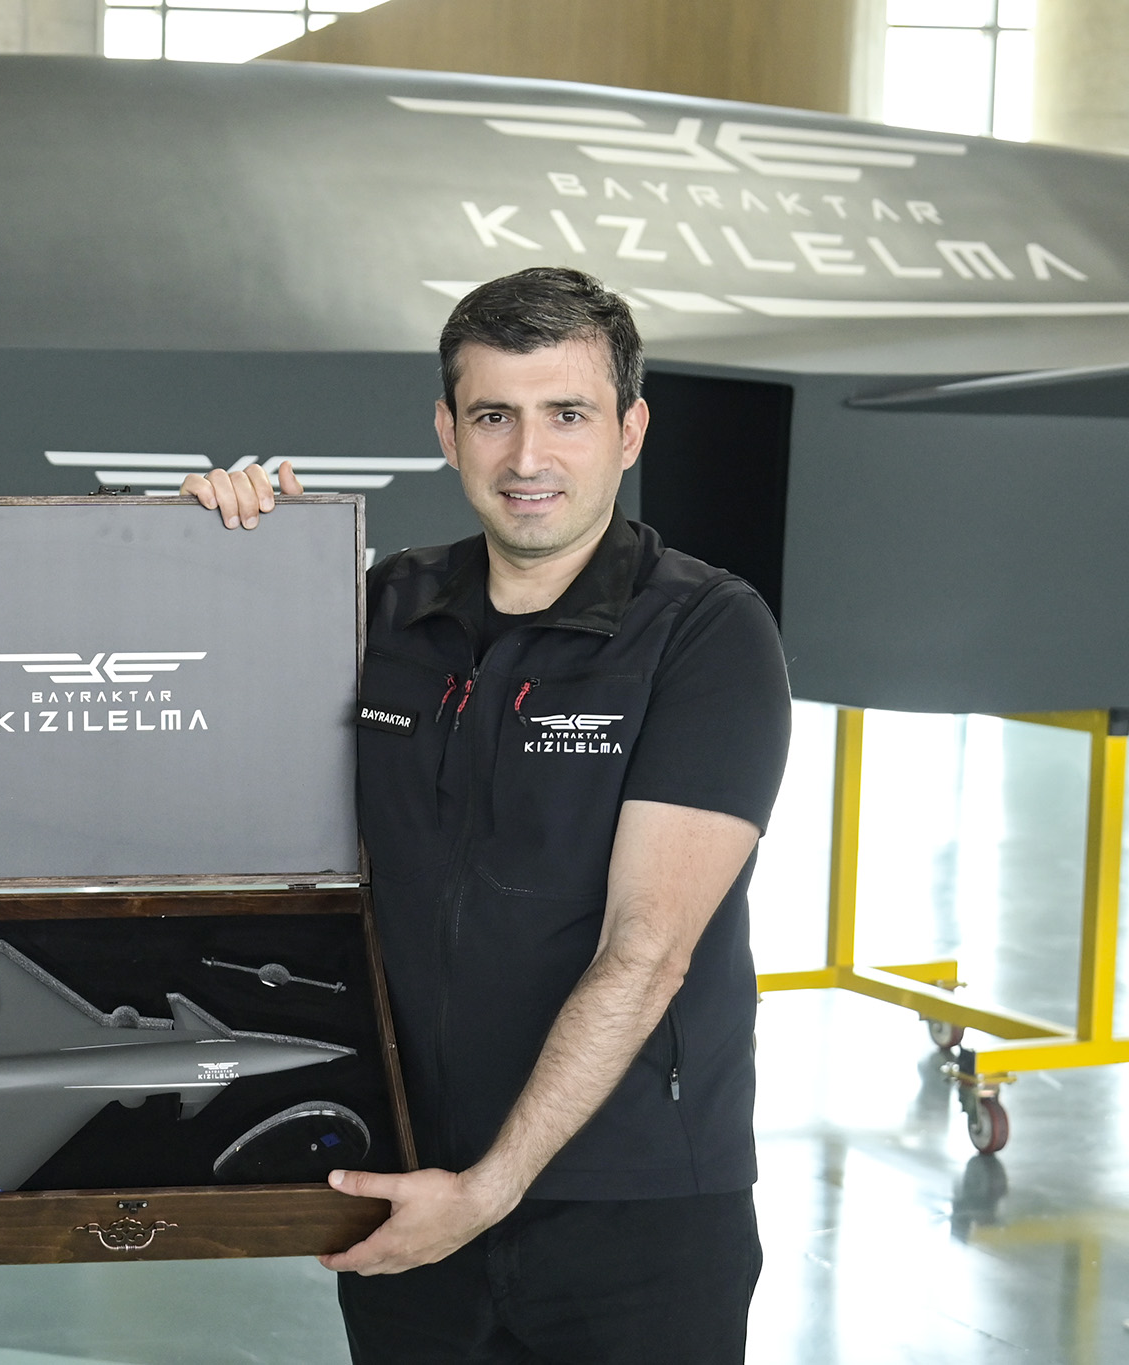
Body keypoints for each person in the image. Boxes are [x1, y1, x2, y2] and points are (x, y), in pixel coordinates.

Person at [186, 266, 791, 1363]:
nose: (526, 458)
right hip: (411, 1193)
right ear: (446, 431)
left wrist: (490, 1187)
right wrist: (229, 552)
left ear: (630, 431)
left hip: (634, 1211)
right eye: (493, 416)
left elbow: (647, 950)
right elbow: (196, 747)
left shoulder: (705, 634)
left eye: (567, 415)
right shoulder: (381, 610)